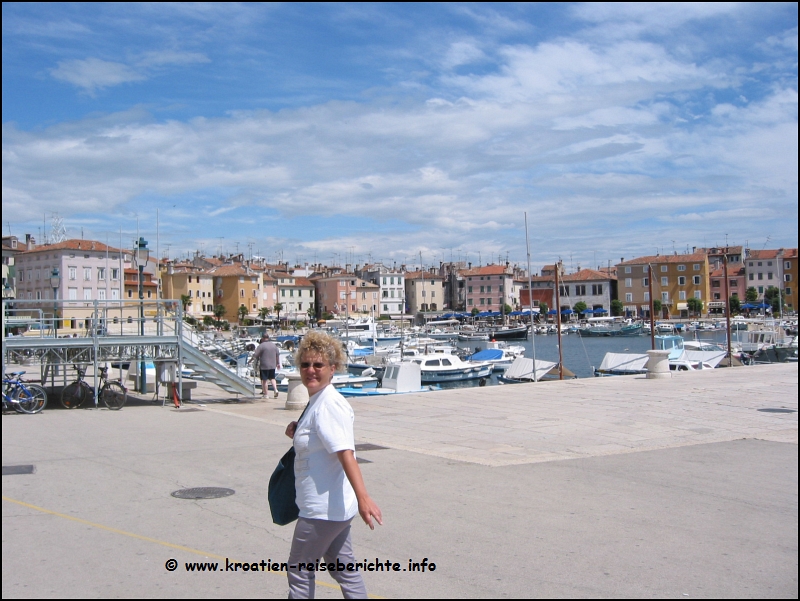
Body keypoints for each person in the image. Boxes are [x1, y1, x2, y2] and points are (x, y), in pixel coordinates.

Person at [284, 331, 382, 599]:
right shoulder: (319, 402)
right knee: (344, 569)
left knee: (299, 570)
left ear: (332, 368)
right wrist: (299, 428)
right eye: (305, 365)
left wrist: (365, 498)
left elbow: (345, 453)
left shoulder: (328, 404)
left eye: (318, 365)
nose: (311, 370)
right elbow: (323, 438)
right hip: (334, 509)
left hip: (321, 511)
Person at [252, 334, 281, 398]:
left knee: (264, 380)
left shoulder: (261, 346)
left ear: (262, 338)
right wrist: (278, 363)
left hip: (264, 365)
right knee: (272, 378)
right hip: (272, 365)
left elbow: (255, 355)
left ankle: (266, 394)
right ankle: (275, 389)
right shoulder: (274, 345)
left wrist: (250, 361)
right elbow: (277, 355)